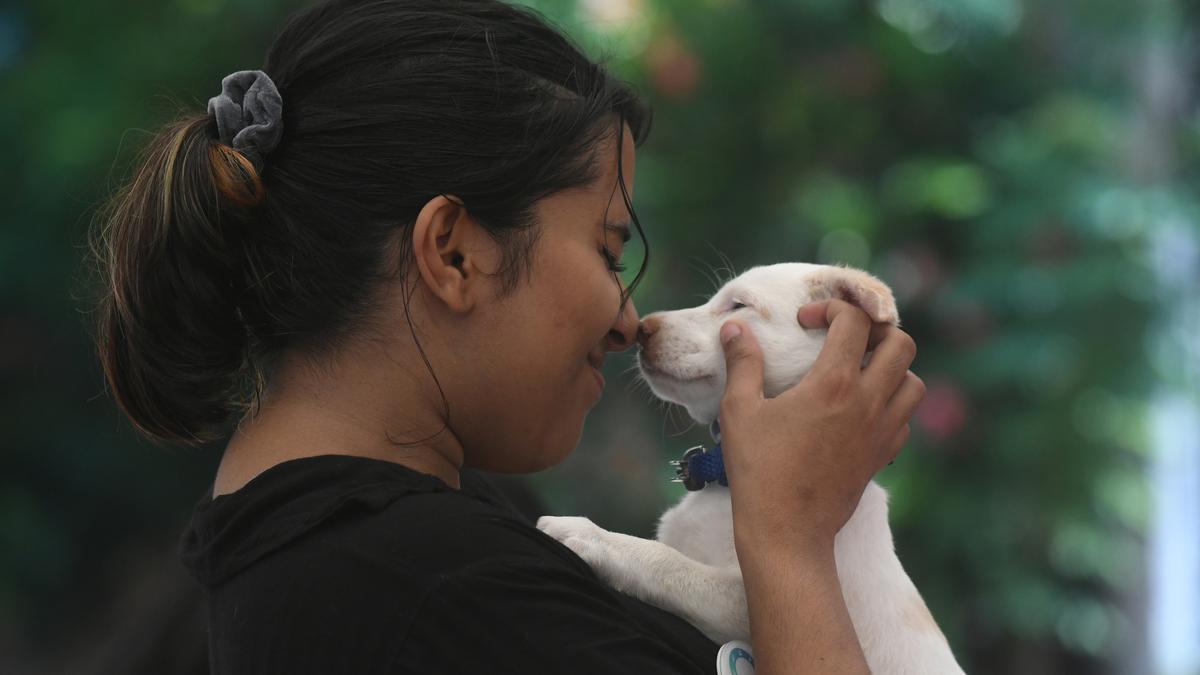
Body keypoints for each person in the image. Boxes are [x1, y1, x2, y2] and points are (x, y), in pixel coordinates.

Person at [85, 0, 925, 673]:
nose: (629, 319)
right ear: (454, 253)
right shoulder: (456, 600)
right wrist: (792, 545)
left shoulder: (396, 539)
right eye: (606, 251)